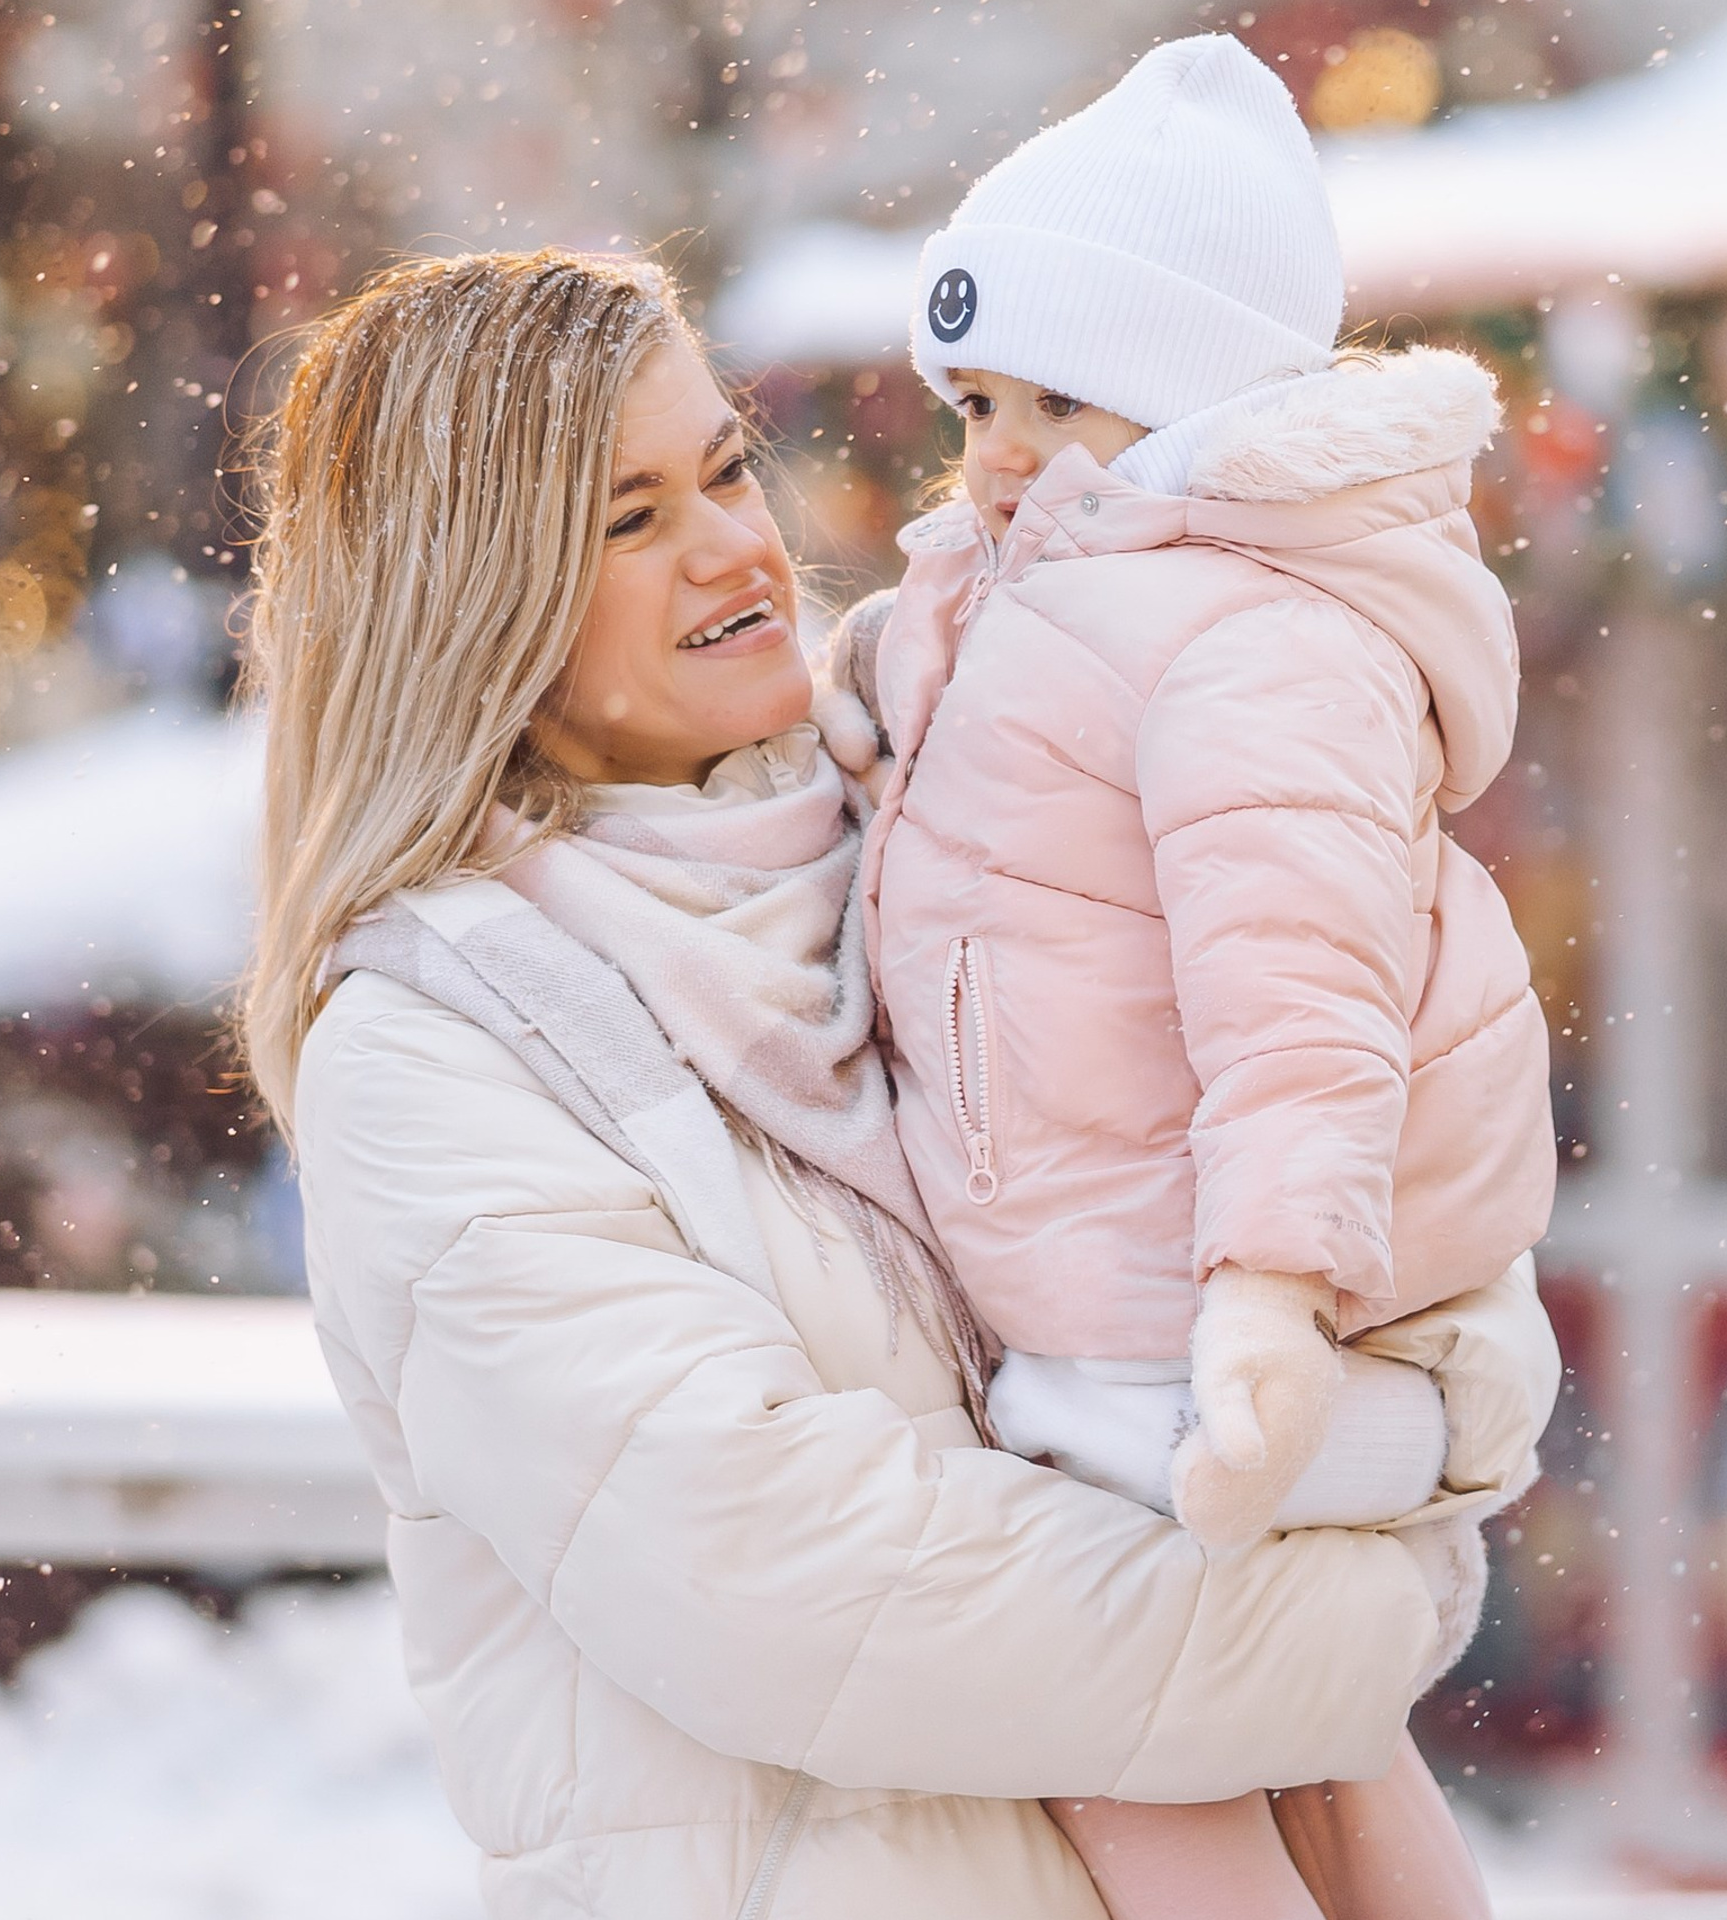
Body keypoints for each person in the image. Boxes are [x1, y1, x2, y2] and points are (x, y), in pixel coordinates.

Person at [237, 246, 1559, 1919]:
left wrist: (1417, 1399)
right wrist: (1361, 1613)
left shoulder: (960, 839)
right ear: (472, 593)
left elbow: (1395, 1167)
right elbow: (791, 1583)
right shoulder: (438, 1043)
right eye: (627, 520)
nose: (734, 545)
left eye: (724, 469)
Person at [843, 32, 1558, 1920]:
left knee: (1136, 1746)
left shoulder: (1254, 640)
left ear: (1180, 401)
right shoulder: (1024, 590)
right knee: (1306, 1737)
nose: (989, 457)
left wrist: (1267, 1301)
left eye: (1048, 405)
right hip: (1103, 1287)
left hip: (1189, 1322)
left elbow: (1299, 1004)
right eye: (968, 402)